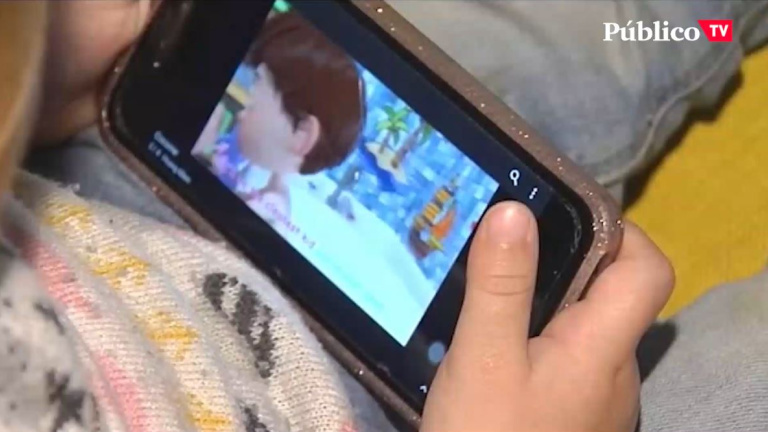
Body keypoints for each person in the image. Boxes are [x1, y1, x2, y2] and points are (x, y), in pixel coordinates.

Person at [2, 1, 763, 432]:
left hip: (84, 222)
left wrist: (31, 67)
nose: (244, 104)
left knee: (572, 41)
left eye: (256, 89)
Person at [193, 11, 365, 224]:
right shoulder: (252, 158)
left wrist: (194, 151)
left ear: (302, 134)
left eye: (257, 85)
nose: (243, 110)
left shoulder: (267, 208)